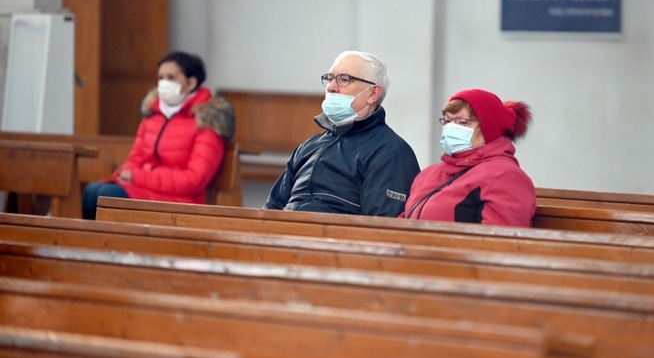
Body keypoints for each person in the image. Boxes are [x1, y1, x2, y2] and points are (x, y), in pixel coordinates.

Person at [264, 50, 420, 216]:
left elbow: (382, 229)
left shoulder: (390, 152)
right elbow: (270, 211)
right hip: (289, 237)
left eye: (344, 79)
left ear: (373, 94)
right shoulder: (309, 146)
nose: (331, 87)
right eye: (330, 79)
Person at [81, 51, 235, 219]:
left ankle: (116, 244)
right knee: (92, 191)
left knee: (108, 194)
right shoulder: (153, 115)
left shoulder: (207, 121)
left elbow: (194, 179)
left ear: (191, 83)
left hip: (181, 200)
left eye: (171, 77)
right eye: (161, 77)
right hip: (147, 191)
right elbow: (136, 158)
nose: (163, 83)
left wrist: (138, 178)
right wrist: (124, 174)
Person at [399, 88, 535, 226]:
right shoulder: (429, 174)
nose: (450, 128)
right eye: (447, 121)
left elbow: (500, 242)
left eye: (462, 122)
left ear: (488, 128)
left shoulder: (506, 176)